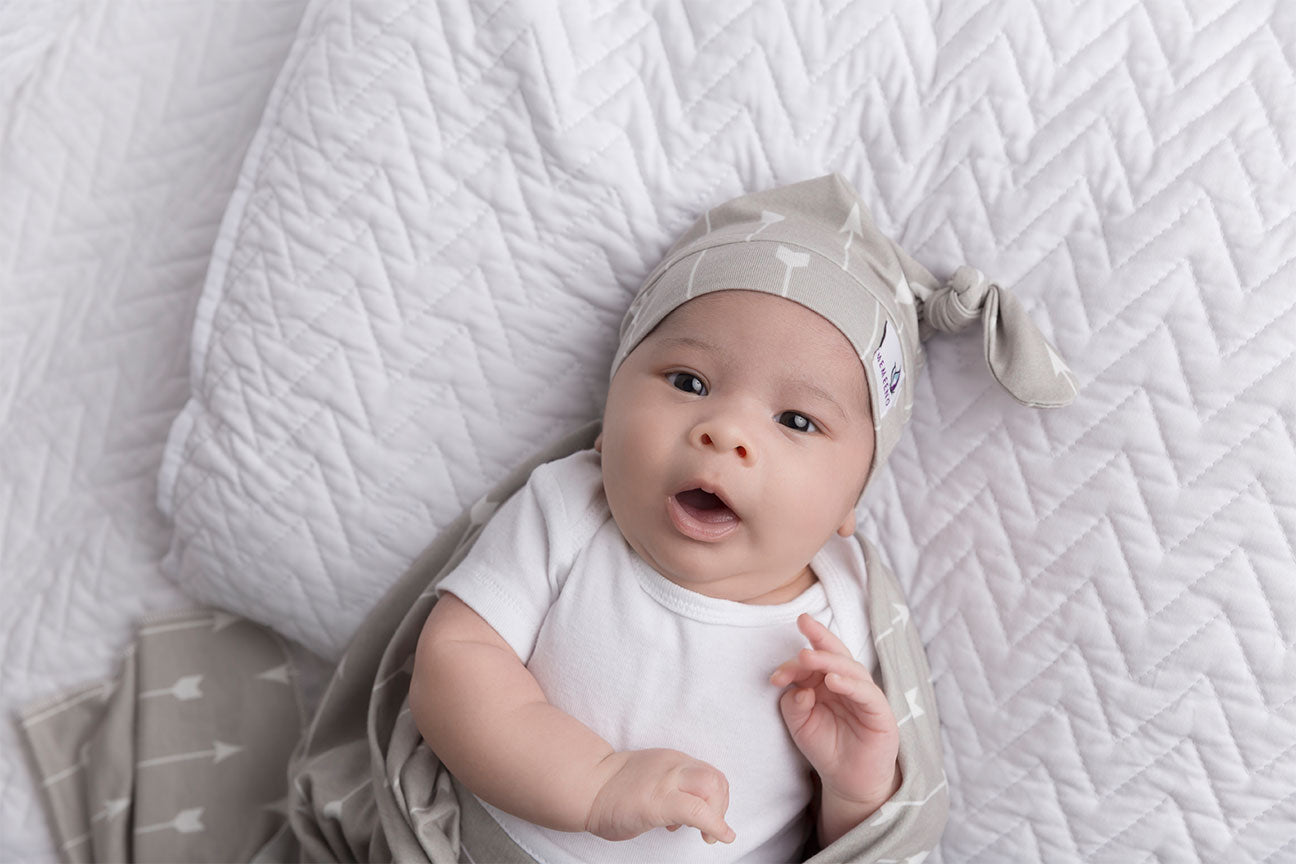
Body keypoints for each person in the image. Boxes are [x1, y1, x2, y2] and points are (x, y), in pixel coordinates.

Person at [409, 172, 1077, 863]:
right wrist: (595, 784)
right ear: (608, 417)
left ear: (850, 503)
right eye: (689, 382)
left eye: (797, 420)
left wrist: (854, 789)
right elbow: (451, 666)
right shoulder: (569, 511)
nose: (726, 431)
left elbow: (850, 847)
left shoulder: (843, 620)